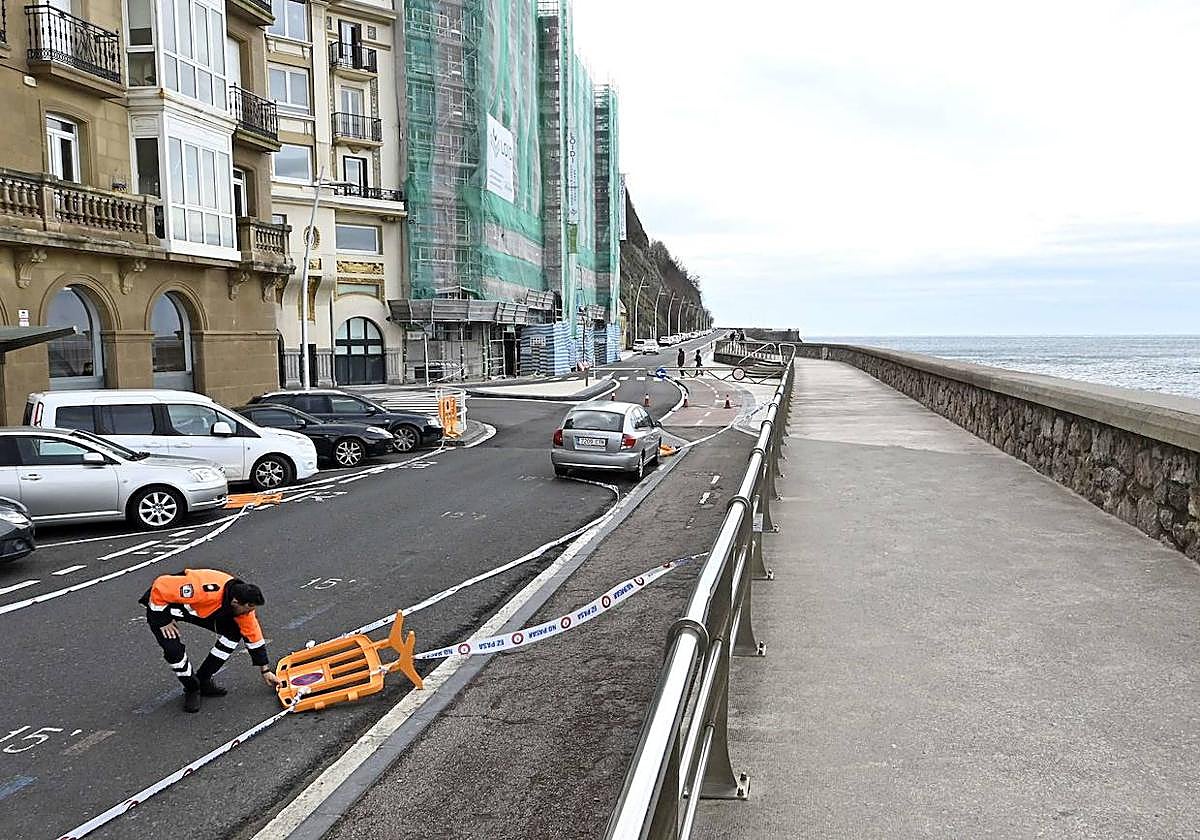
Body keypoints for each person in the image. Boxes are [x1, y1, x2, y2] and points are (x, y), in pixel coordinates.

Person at [140, 568, 281, 713]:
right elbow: (160, 585)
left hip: (196, 609)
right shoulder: (201, 590)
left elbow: (253, 635)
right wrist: (162, 620)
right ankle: (192, 687)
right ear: (235, 602)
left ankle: (203, 679)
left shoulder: (242, 605)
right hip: (161, 607)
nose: (250, 613)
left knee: (233, 633)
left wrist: (265, 670)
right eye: (248, 608)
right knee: (173, 651)